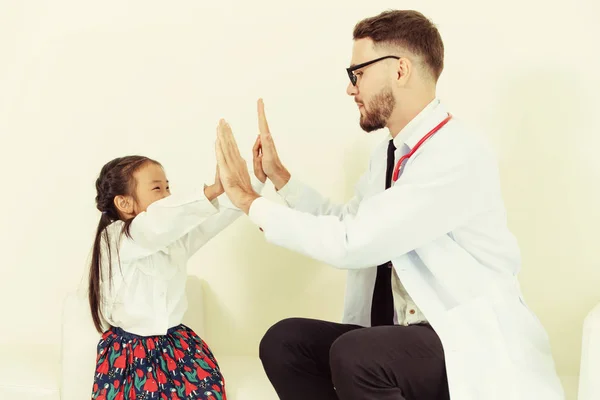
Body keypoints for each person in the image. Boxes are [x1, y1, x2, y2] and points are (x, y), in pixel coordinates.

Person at [213, 9, 565, 400]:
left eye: (357, 74)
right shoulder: (389, 154)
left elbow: (354, 241)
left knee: (357, 355)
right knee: (285, 342)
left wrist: (248, 200)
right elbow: (351, 221)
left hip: (461, 340)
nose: (350, 89)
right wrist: (281, 178)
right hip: (403, 336)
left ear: (400, 70)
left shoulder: (455, 152)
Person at [88, 154, 265, 399]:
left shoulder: (171, 240)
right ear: (125, 203)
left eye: (168, 187)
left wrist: (254, 181)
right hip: (130, 354)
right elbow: (158, 224)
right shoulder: (116, 238)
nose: (168, 196)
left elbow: (213, 219)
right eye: (157, 188)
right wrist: (211, 191)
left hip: (175, 345)